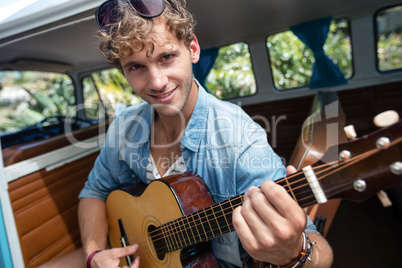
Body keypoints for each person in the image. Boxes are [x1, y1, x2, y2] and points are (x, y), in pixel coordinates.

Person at [43, 0, 333, 267]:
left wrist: (296, 252)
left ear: (193, 49)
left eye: (167, 57)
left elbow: (319, 248)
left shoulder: (240, 139)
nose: (157, 82)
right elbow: (94, 191)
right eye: (136, 67)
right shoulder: (124, 128)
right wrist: (94, 254)